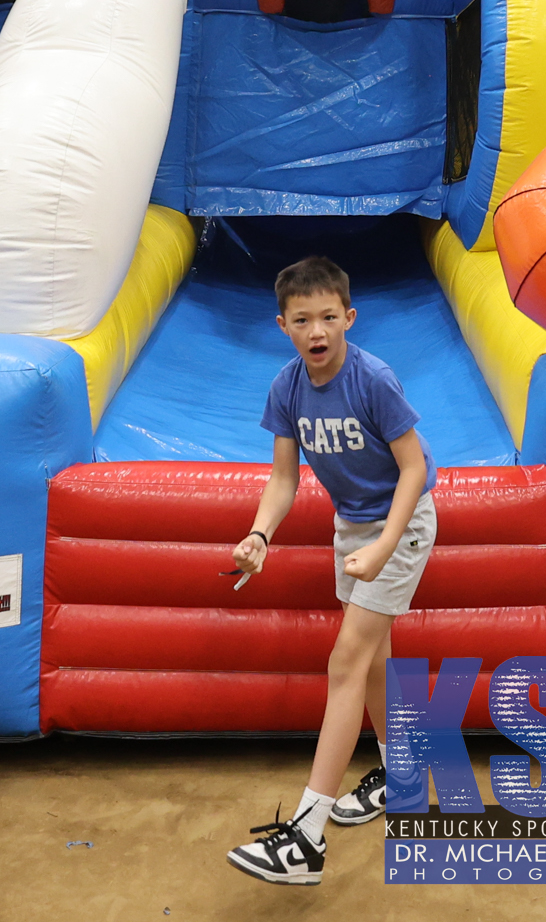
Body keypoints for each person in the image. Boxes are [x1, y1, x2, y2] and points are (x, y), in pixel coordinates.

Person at [226, 256, 436, 886]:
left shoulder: (373, 379)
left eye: (327, 317)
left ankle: (307, 837)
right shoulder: (286, 388)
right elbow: (284, 479)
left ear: (348, 318)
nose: (316, 330)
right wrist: (260, 535)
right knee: (371, 661)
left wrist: (384, 548)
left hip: (402, 524)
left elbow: (414, 470)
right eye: (301, 320)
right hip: (354, 528)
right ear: (283, 326)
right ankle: (402, 779)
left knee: (345, 662)